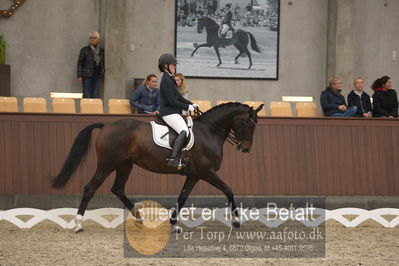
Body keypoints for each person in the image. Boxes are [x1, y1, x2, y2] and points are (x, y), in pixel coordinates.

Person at [158, 53, 198, 168]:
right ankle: (173, 159)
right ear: (166, 66)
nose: (175, 67)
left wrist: (191, 104)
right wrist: (187, 107)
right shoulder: (166, 80)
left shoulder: (170, 79)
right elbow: (171, 101)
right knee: (184, 131)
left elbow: (178, 97)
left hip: (173, 112)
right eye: (173, 65)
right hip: (168, 112)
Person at [77, 31, 105, 98]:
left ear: (98, 39)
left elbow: (103, 62)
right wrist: (79, 75)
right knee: (86, 93)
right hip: (87, 75)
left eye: (94, 38)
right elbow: (80, 63)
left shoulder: (101, 50)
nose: (92, 39)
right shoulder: (84, 50)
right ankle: (85, 108)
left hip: (97, 75)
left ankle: (93, 108)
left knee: (94, 94)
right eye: (91, 38)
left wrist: (103, 70)